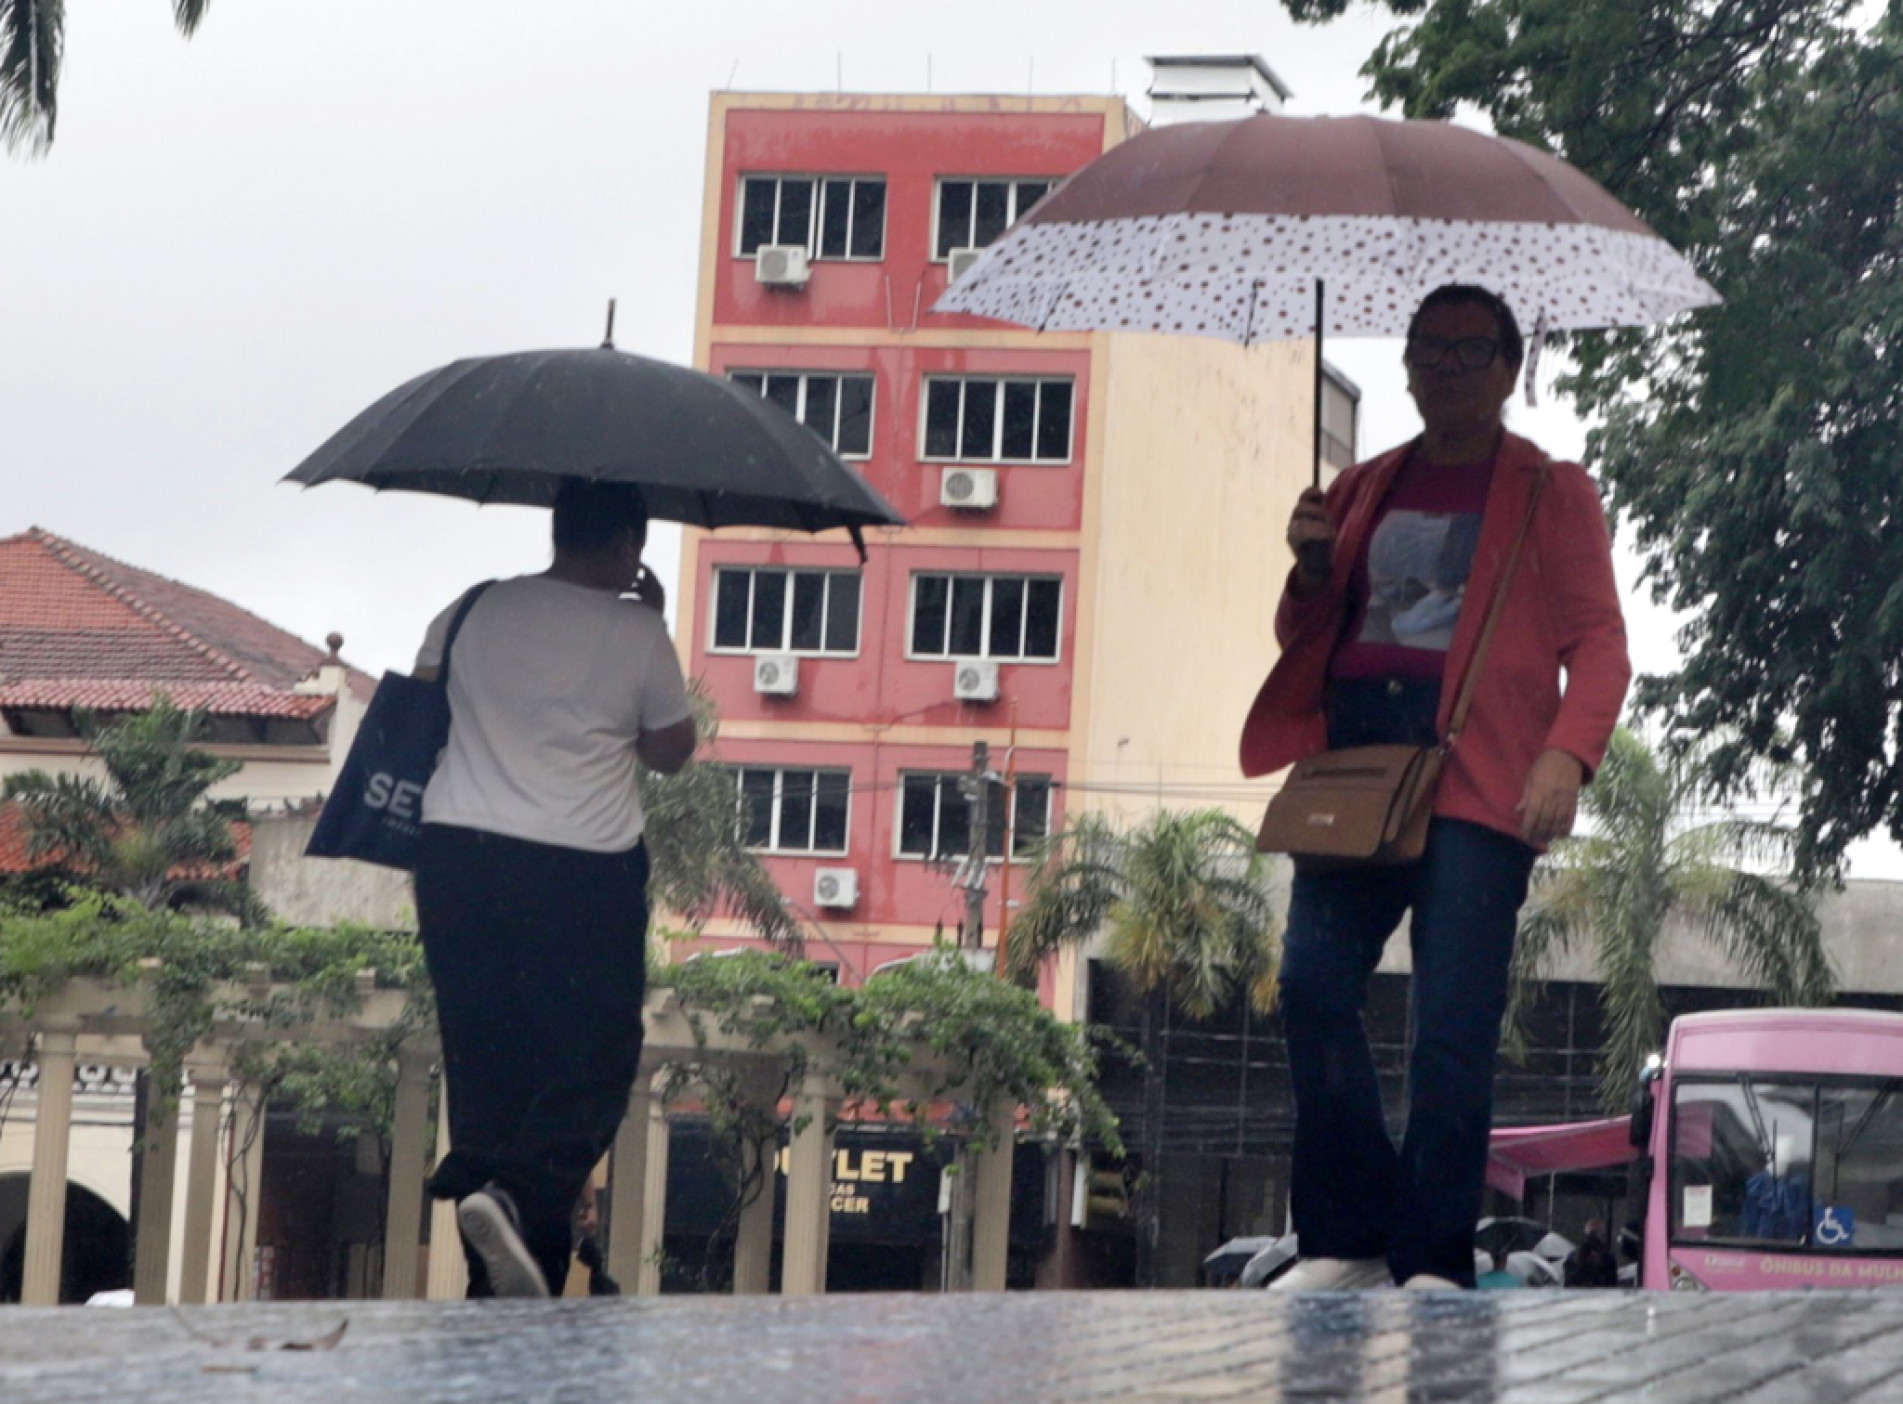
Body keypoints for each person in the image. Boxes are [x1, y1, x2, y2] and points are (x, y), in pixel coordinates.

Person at [1240, 284, 1631, 1291]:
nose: (1444, 371)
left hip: (1481, 777)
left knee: (1449, 1029)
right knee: (1310, 988)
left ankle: (1431, 1259)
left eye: (1468, 353)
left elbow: (1599, 646)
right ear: (1403, 366)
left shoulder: (1551, 491)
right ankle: (1346, 1238)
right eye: (1426, 353)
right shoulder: (1363, 485)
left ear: (1508, 369)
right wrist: (1309, 571)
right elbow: (1308, 641)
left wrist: (1565, 754)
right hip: (1358, 768)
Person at [412, 479, 696, 1298]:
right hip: (580, 869)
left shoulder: (471, 608)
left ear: (557, 527)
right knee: (596, 1056)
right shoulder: (638, 631)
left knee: (486, 1065)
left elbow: (426, 698)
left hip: (457, 858)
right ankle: (520, 1196)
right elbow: (671, 750)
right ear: (628, 545)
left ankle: (503, 1277)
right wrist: (650, 624)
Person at [1563, 1219, 1619, 1287]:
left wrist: (1600, 1261)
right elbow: (1569, 1284)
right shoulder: (1573, 1257)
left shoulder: (1609, 1259)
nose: (1594, 1237)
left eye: (1598, 1232)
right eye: (1591, 1233)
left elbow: (1611, 1284)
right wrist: (1580, 1262)